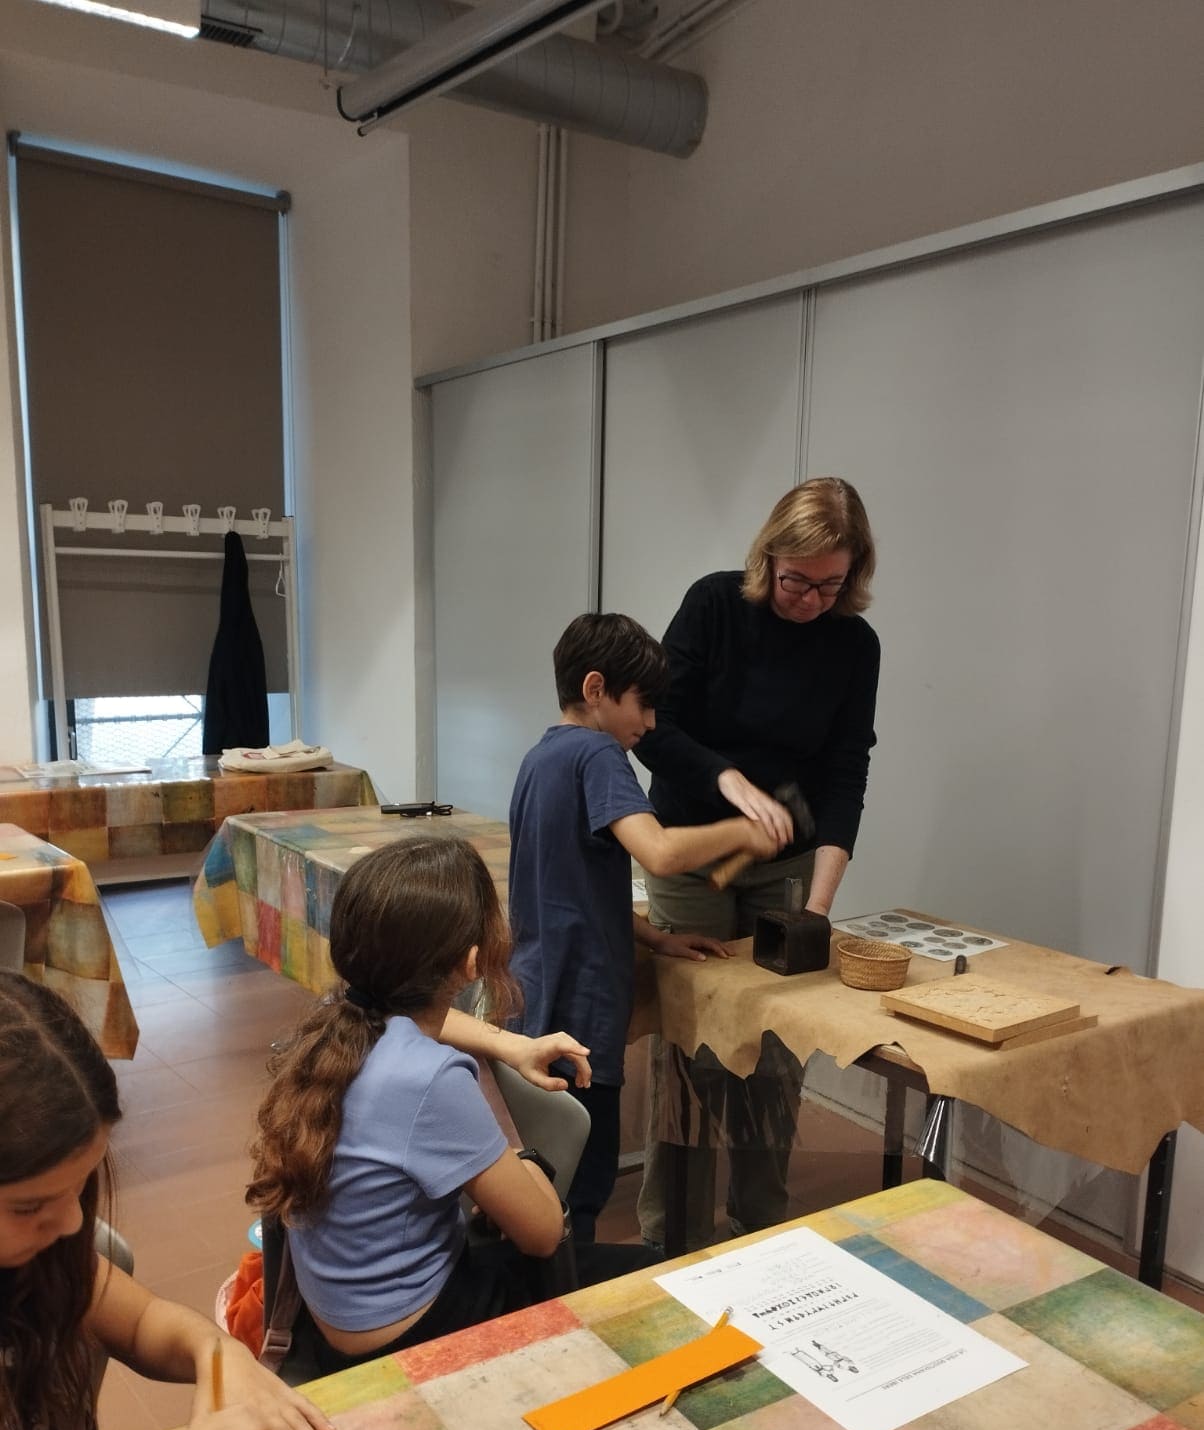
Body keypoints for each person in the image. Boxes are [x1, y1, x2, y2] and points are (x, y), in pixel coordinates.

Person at [247, 834, 655, 1374]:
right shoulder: (430, 1078)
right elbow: (542, 1234)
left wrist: (511, 1045)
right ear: (471, 962)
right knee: (654, 1274)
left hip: (339, 1322)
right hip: (407, 1336)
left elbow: (430, 1020)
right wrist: (524, 1163)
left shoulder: (336, 1023)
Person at [0, 972, 335, 1430]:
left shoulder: (36, 1262)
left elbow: (140, 1321)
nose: (72, 1223)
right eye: (29, 1206)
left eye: (80, 1187)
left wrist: (218, 1354)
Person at [633, 477, 880, 1250]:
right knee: (696, 1047)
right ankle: (671, 1236)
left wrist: (819, 908)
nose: (810, 600)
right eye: (797, 581)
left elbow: (846, 773)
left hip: (783, 863)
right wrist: (730, 783)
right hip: (690, 849)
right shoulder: (713, 605)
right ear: (768, 555)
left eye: (831, 586)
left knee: (776, 1047)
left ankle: (760, 1228)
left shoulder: (854, 645)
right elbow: (653, 726)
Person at [508, 612, 779, 1243]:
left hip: (533, 1001)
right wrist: (744, 831)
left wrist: (655, 937)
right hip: (579, 1010)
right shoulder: (598, 754)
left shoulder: (538, 758)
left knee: (552, 1174)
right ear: (596, 689)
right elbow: (658, 852)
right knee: (584, 1186)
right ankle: (569, 1291)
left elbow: (566, 890)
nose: (652, 723)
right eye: (644, 703)